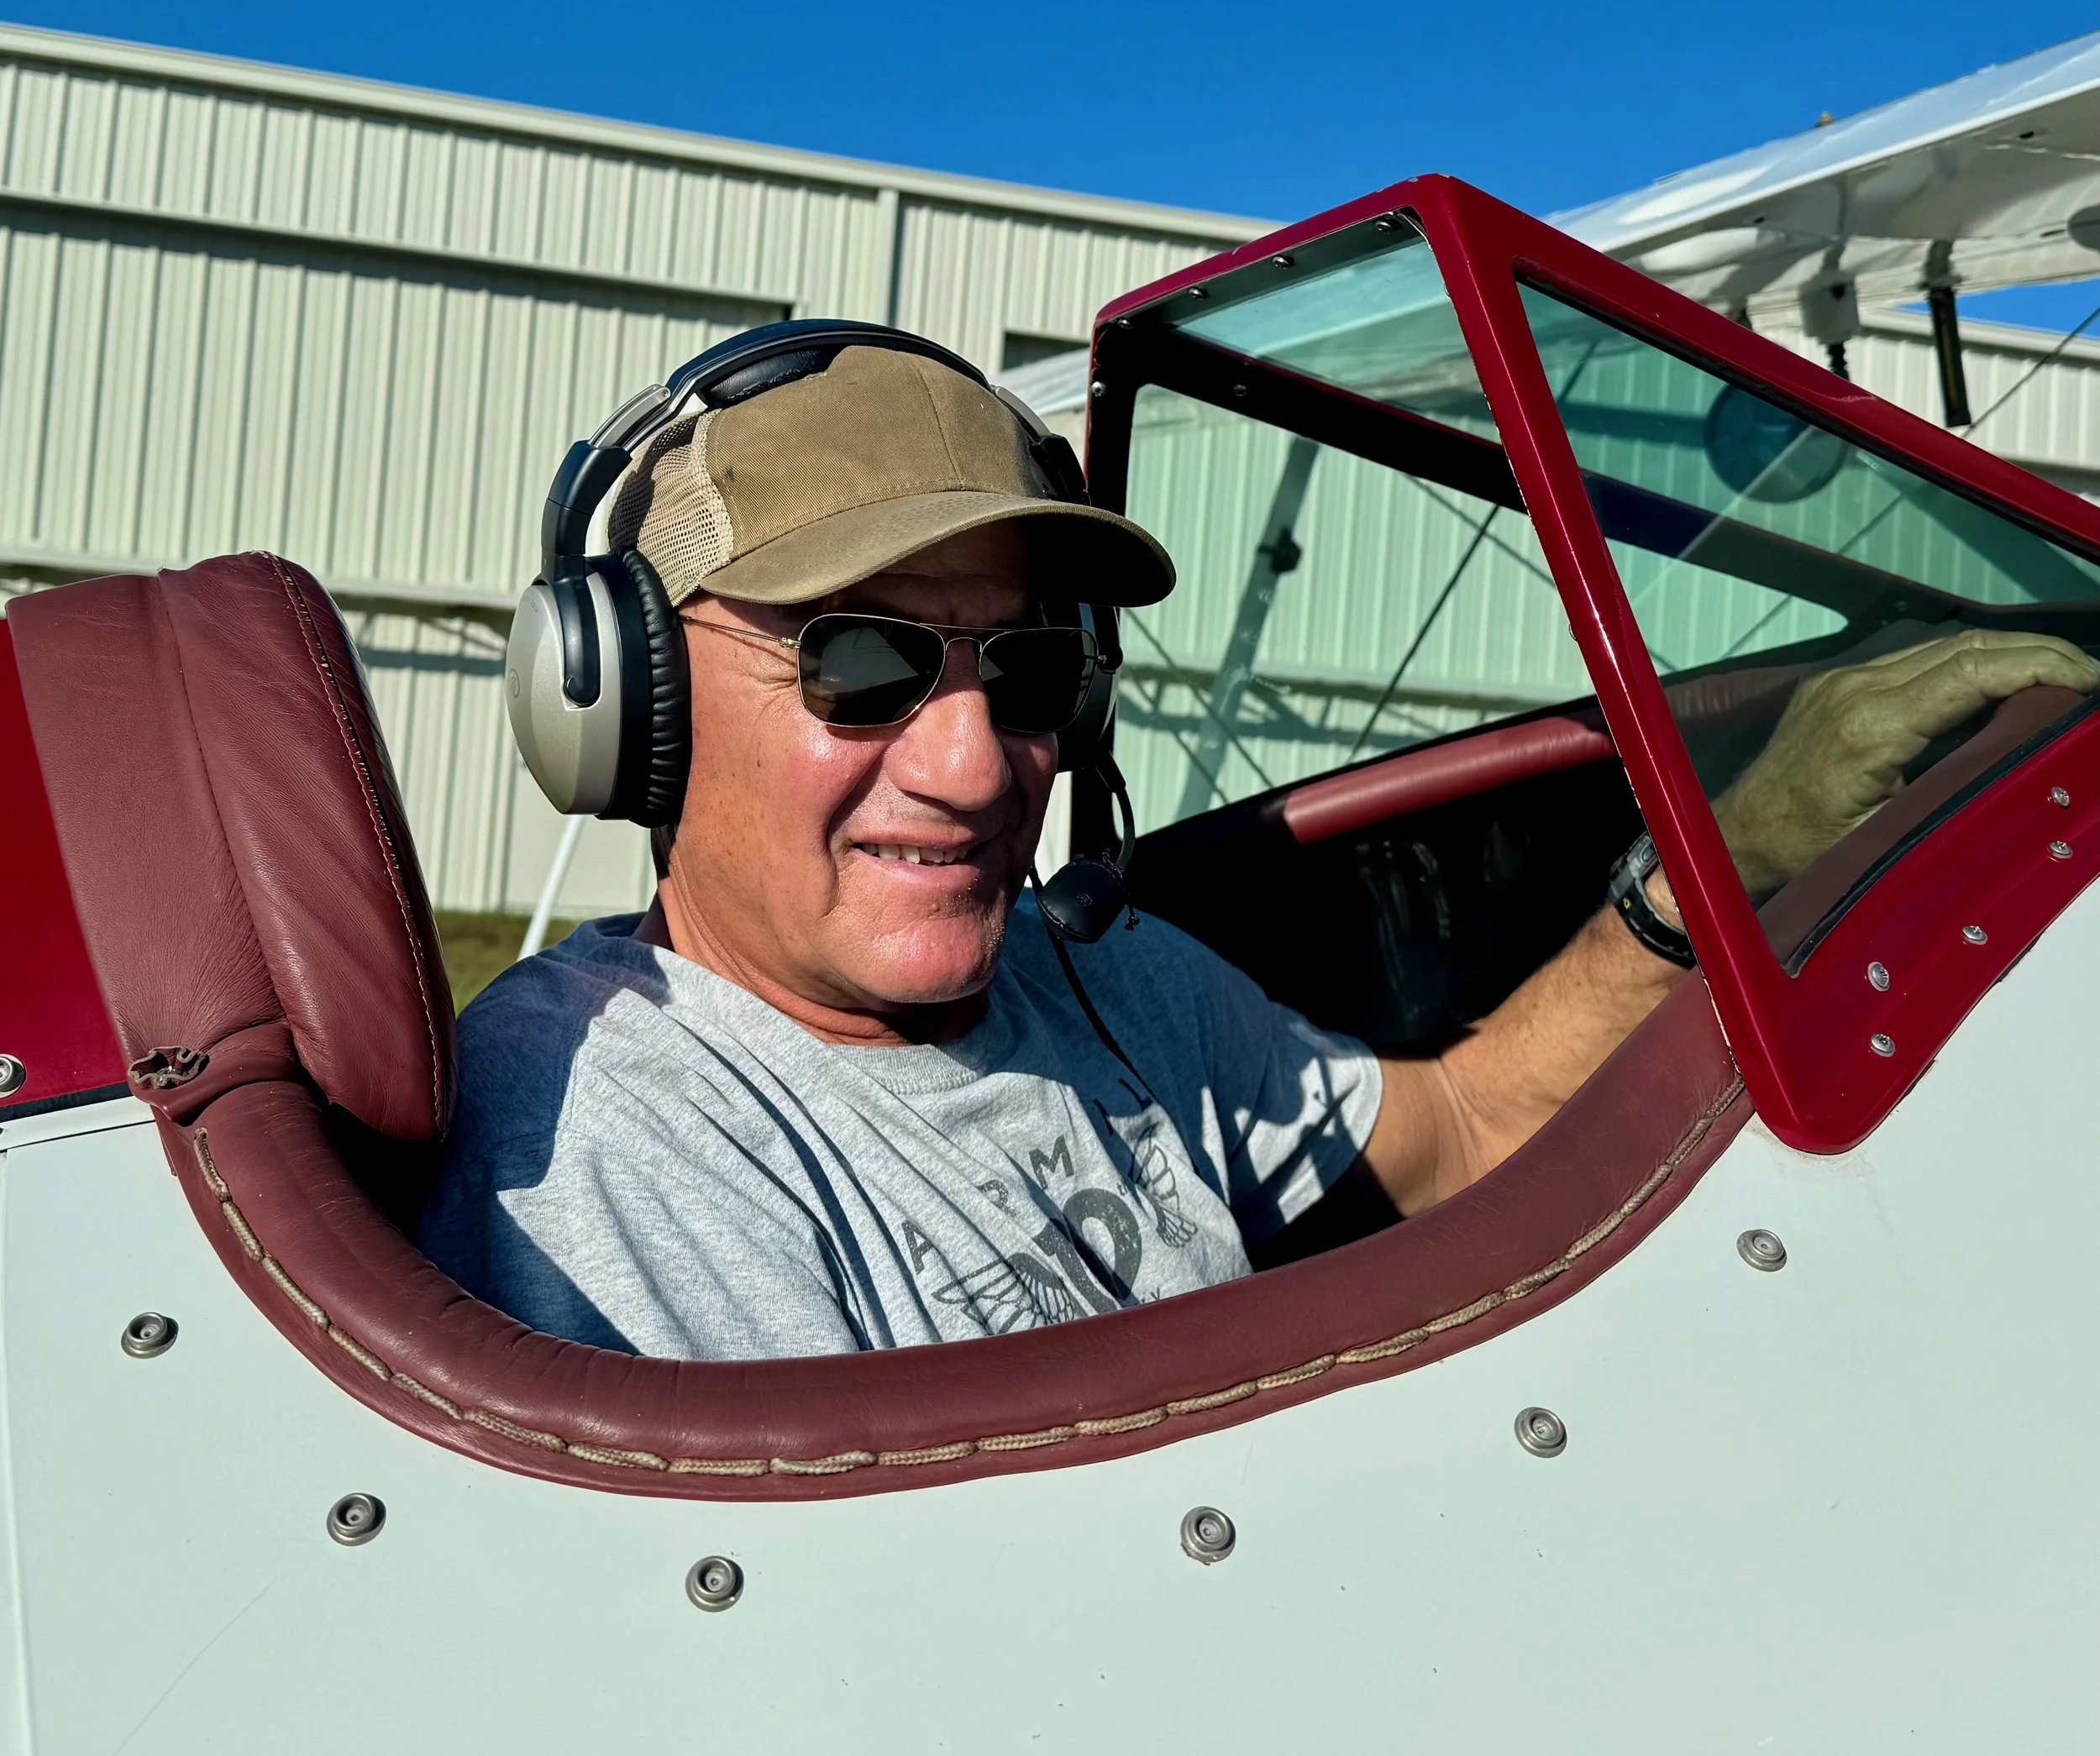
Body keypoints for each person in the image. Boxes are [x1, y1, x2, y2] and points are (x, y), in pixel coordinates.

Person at [418, 343, 2100, 1358]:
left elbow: (1452, 1131)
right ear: (616, 704)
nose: (970, 763)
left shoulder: (1101, 979)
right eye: (854, 662)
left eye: (1025, 669)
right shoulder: (603, 1130)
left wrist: (1705, 877)